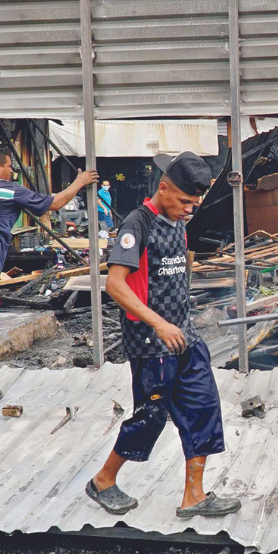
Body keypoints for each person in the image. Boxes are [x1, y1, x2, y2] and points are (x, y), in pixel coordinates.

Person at [87, 151, 242, 518]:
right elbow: (114, 284)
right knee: (150, 417)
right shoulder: (135, 225)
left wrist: (179, 319)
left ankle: (194, 497)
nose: (190, 209)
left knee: (204, 409)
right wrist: (158, 322)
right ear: (163, 188)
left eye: (195, 203)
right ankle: (103, 481)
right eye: (185, 201)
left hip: (184, 337)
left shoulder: (178, 221)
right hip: (150, 343)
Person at [0, 147, 98, 414]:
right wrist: (79, 182)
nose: (13, 171)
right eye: (10, 166)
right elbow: (54, 203)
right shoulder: (7, 189)